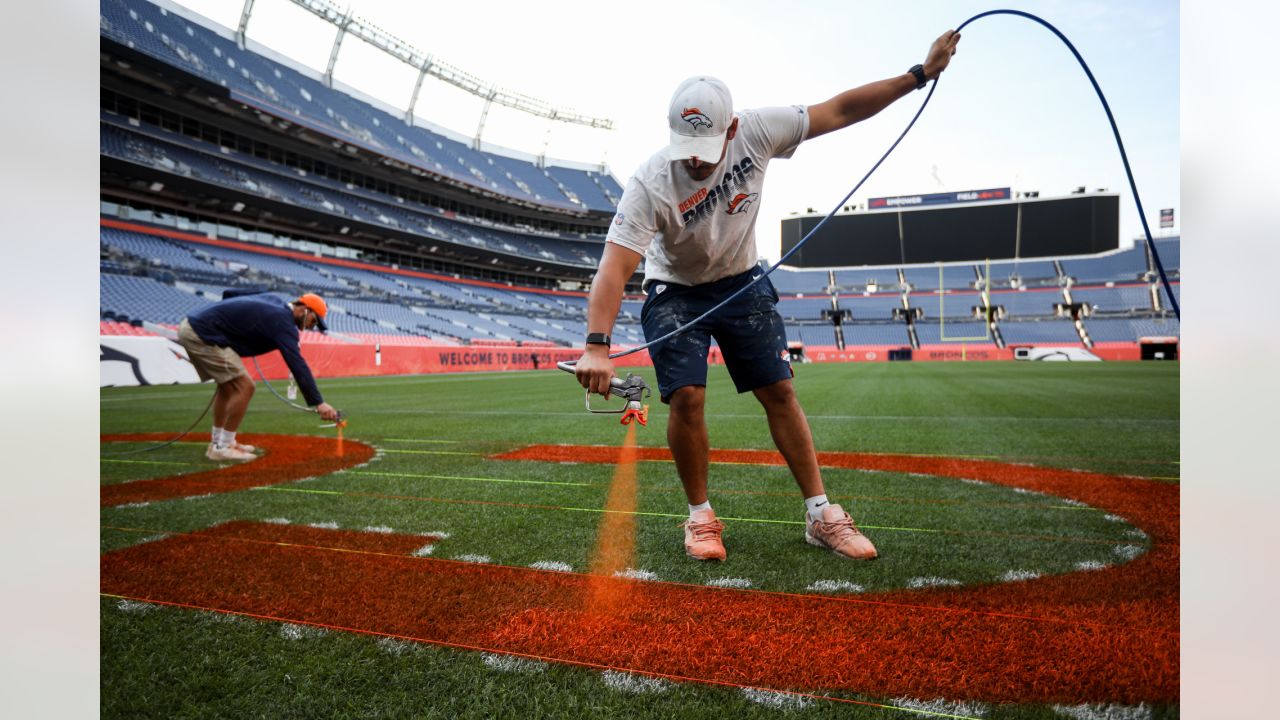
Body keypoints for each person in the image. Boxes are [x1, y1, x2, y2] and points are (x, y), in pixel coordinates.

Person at [574, 30, 961, 561]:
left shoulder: (758, 130)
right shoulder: (649, 183)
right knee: (687, 396)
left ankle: (821, 514)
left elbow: (841, 109)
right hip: (675, 290)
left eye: (706, 151)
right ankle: (700, 519)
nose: (696, 163)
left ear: (731, 128)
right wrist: (597, 344)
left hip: (740, 279)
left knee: (779, 391)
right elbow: (614, 268)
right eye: (686, 152)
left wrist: (918, 75)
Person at [177, 289, 340, 461]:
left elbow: (230, 294)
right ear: (303, 309)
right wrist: (319, 403)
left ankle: (220, 442)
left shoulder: (274, 299)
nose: (311, 326)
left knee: (227, 387)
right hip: (202, 333)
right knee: (245, 386)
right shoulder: (283, 322)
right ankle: (222, 446)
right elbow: (297, 364)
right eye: (314, 320)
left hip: (197, 326)